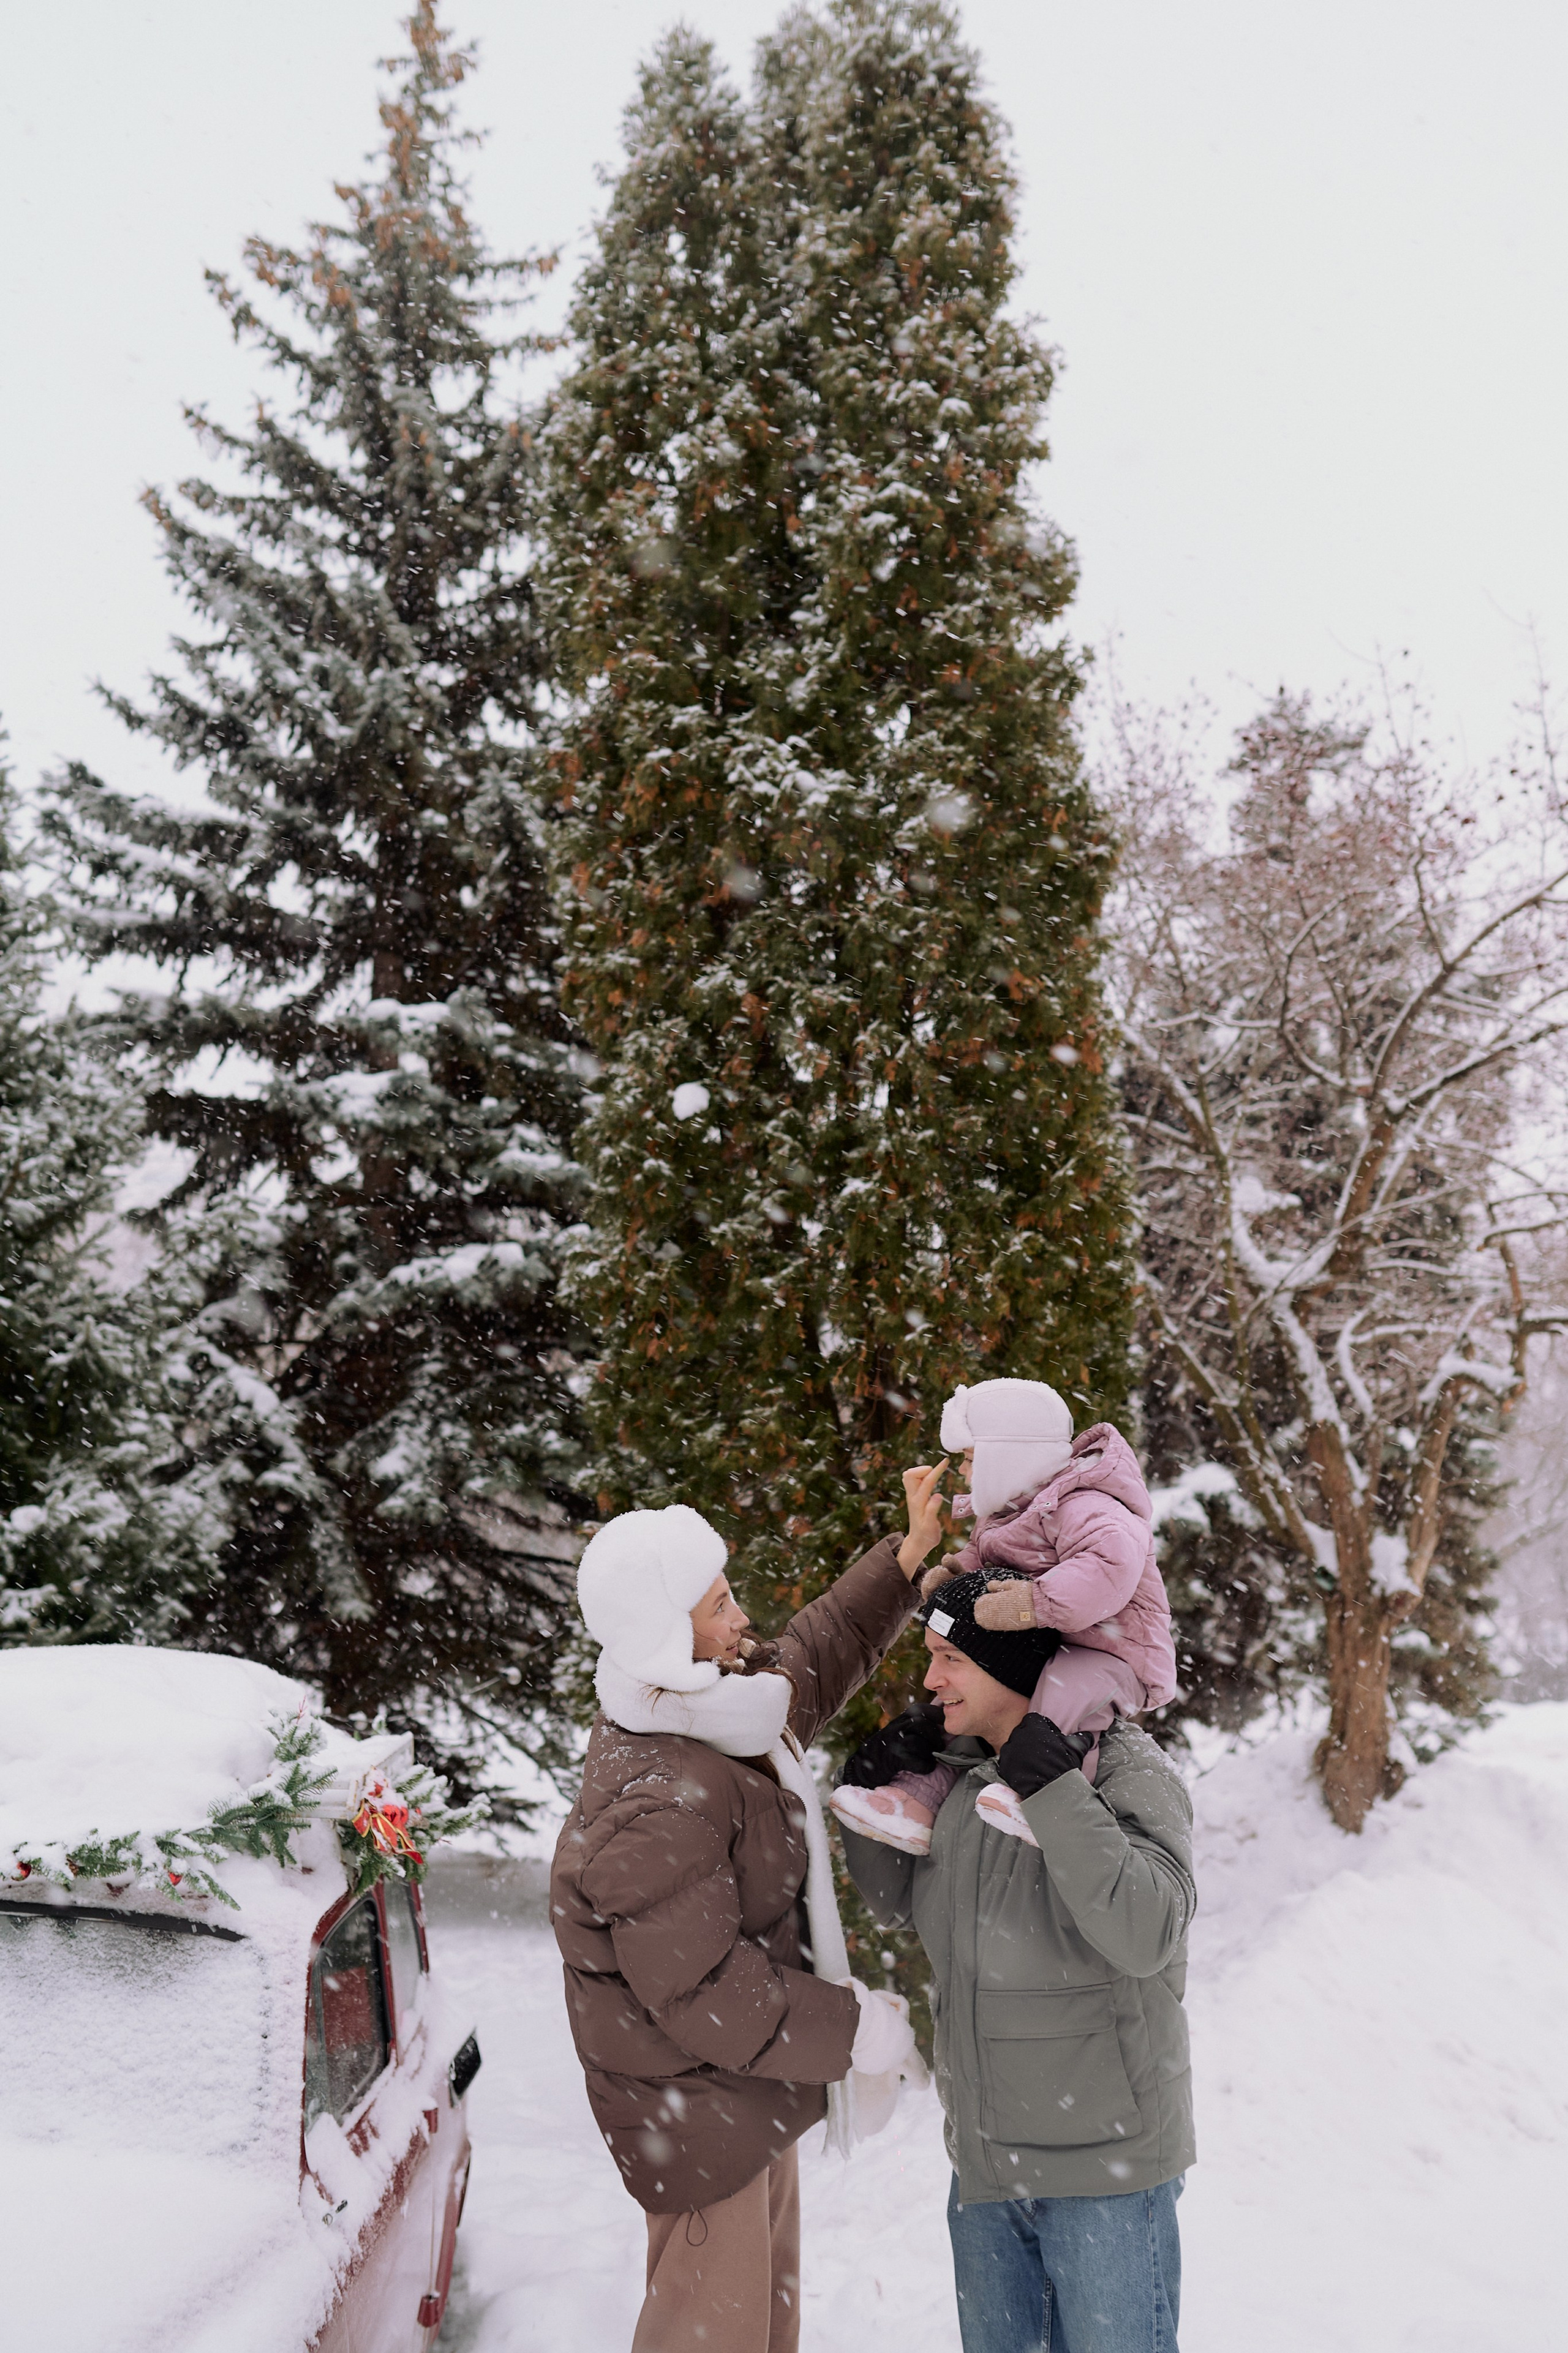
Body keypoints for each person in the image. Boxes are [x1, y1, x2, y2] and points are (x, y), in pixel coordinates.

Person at [550, 1468, 945, 2353]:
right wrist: (855, 2028)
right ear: (665, 1633)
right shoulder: (659, 1795)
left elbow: (813, 1654)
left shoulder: (712, 1709)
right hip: (694, 2123)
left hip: (738, 2102)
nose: (743, 1618)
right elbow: (710, 1994)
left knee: (767, 2330)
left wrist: (906, 1559)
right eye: (719, 1604)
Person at [837, 1564, 1196, 2353]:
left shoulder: (1123, 1768)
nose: (930, 1681)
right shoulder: (962, 1780)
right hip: (987, 2166)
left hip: (1103, 2170)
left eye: (950, 1659)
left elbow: (1148, 1930)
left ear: (1012, 1665)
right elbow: (900, 1905)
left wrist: (1053, 1789)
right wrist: (873, 1799)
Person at [832, 1379, 1177, 1855]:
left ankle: (1045, 1799)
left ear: (1009, 1457)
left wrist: (1033, 1602)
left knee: (1058, 1702)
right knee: (973, 1705)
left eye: (972, 1459)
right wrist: (952, 1575)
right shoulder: (1007, 1513)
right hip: (1053, 1643)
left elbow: (1109, 1568)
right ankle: (917, 1801)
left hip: (1115, 1652)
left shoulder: (1089, 1505)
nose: (964, 1471)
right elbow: (983, 1556)